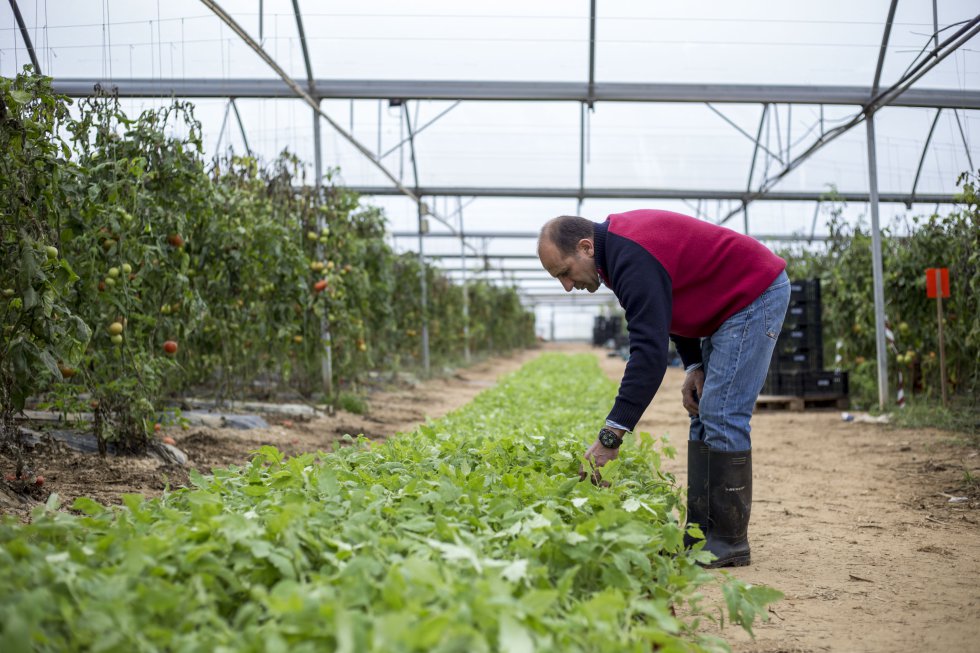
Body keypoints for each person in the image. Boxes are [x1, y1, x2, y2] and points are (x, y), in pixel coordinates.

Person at [537, 209, 790, 568]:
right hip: (725, 305)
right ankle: (700, 534)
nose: (566, 286)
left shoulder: (629, 255)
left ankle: (729, 540)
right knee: (703, 411)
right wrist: (694, 366)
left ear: (585, 247)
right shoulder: (617, 256)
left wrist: (612, 435)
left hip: (752, 294)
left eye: (564, 272)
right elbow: (667, 309)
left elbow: (648, 356)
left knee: (722, 412)